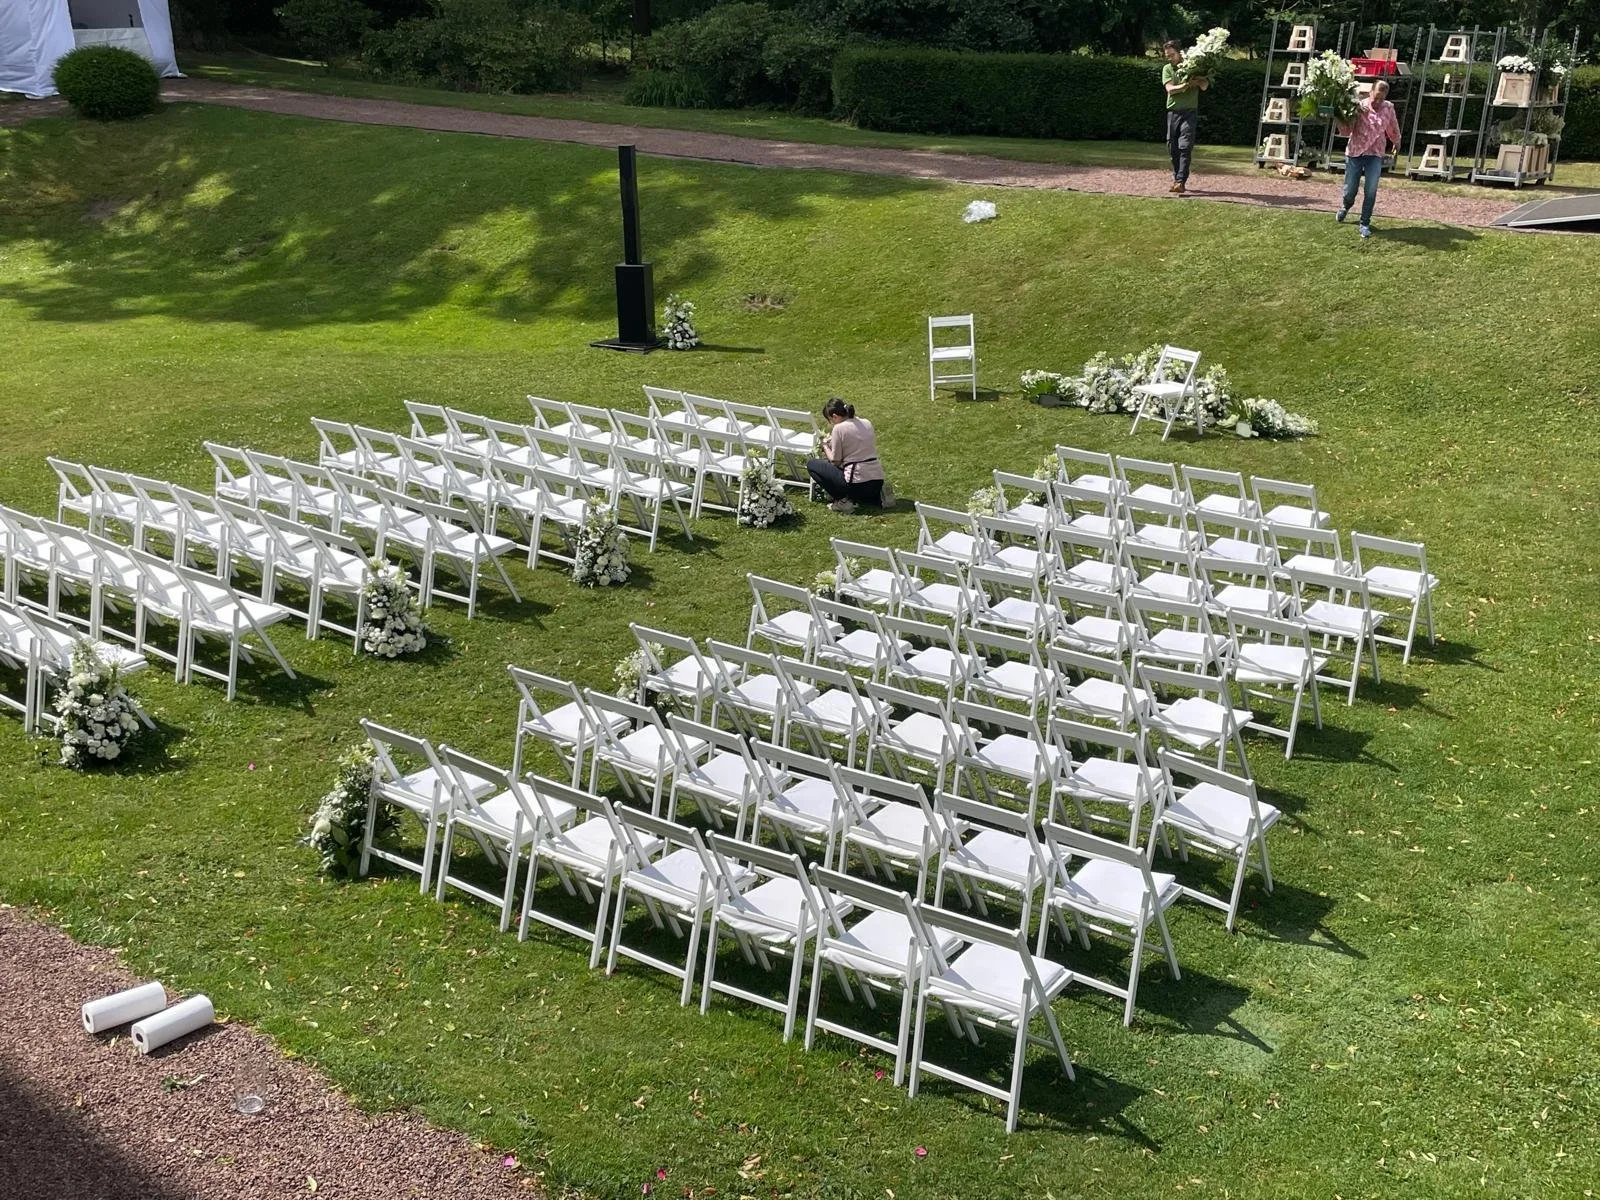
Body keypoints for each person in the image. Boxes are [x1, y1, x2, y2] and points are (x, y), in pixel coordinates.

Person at [1336, 80, 1401, 239]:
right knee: (1350, 189)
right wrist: (1340, 116)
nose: (1378, 102)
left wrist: (1396, 142)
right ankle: (1346, 205)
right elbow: (1346, 131)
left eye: (1382, 98)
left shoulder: (1388, 108)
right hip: (1355, 153)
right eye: (1376, 97)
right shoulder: (1358, 107)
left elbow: (1393, 127)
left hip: (1375, 154)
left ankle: (1364, 222)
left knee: (1371, 190)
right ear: (1370, 92)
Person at [807, 398, 887, 514]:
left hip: (856, 484)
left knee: (812, 464)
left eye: (830, 420)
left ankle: (843, 501)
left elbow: (835, 461)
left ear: (835, 416)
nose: (832, 423)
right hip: (877, 481)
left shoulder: (839, 428)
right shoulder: (866, 422)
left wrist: (825, 446)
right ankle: (874, 498)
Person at [1161, 40, 1208, 195]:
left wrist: (1200, 79)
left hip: (1189, 112)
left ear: (1180, 52)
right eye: (1167, 56)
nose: (1170, 58)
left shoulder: (1194, 68)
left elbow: (1204, 86)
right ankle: (1177, 178)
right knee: (1172, 146)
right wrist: (1188, 84)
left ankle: (1180, 180)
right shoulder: (1167, 69)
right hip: (1173, 112)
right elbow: (1170, 90)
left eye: (1172, 55)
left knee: (1185, 146)